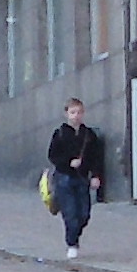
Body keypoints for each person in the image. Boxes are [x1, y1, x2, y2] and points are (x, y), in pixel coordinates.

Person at [45, 95, 110, 261]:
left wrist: (95, 176)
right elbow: (52, 155)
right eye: (73, 112)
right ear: (67, 114)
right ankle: (72, 244)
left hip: (82, 178)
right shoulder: (59, 134)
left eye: (79, 112)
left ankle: (74, 236)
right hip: (64, 178)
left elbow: (96, 158)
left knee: (84, 214)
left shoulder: (89, 135)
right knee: (70, 213)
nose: (77, 115)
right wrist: (68, 162)